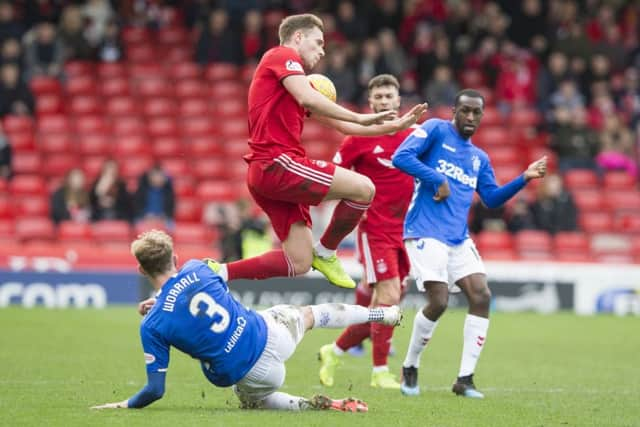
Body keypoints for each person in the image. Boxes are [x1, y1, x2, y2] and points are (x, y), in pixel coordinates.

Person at [210, 14, 426, 290]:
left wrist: (394, 125)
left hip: (265, 174)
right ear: (298, 37)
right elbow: (309, 97)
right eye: (319, 43)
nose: (323, 50)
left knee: (298, 262)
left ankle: (220, 271)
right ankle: (326, 252)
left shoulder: (289, 85)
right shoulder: (281, 55)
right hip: (277, 163)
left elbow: (342, 125)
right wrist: (362, 118)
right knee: (364, 189)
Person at [90, 230, 402, 412]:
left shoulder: (152, 325)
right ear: (174, 259)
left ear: (142, 270)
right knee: (312, 314)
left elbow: (155, 390)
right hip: (270, 334)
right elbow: (188, 292)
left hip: (254, 376)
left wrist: (124, 406)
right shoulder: (197, 268)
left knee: (252, 400)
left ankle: (317, 405)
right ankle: (383, 314)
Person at [391, 89, 547, 398]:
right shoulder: (435, 129)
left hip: (457, 238)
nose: (471, 117)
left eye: (477, 113)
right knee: (439, 302)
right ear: (454, 111)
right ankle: (410, 367)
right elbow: (401, 157)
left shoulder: (479, 158)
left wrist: (524, 178)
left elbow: (490, 199)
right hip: (425, 230)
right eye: (465, 111)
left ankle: (464, 379)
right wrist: (437, 178)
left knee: (482, 295)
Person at [317, 74, 414, 390]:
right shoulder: (358, 137)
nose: (385, 101)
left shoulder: (413, 136)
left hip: (404, 231)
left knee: (386, 304)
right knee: (388, 297)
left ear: (399, 101)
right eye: (379, 97)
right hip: (374, 229)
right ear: (370, 102)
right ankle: (380, 372)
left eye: (389, 96)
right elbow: (334, 173)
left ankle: (334, 350)